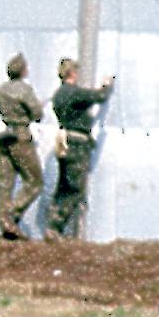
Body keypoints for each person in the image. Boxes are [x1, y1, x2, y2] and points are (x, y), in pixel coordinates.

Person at [45, 58, 117, 239]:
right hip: (77, 143)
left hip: (64, 140)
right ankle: (56, 228)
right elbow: (99, 97)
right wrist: (107, 85)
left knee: (63, 186)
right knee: (76, 188)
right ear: (73, 73)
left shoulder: (58, 94)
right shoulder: (74, 93)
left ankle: (52, 225)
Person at [0, 54, 47, 240]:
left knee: (6, 183)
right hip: (21, 137)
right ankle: (10, 216)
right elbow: (37, 114)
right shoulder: (24, 90)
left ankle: (5, 223)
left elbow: (1, 110)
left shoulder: (0, 90)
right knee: (35, 181)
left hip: (5, 134)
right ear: (23, 71)